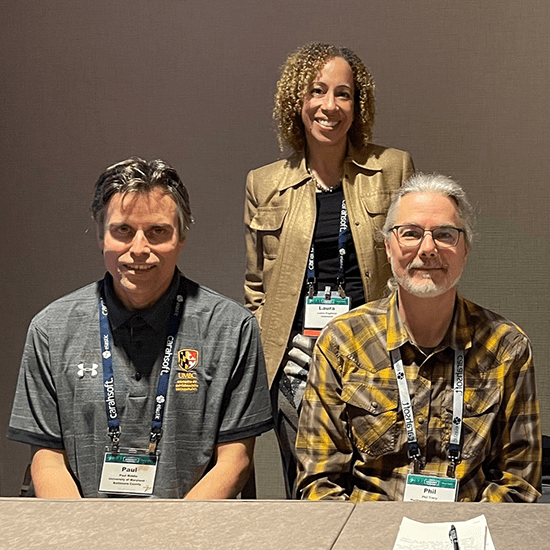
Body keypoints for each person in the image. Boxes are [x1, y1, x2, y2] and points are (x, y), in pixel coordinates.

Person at [8, 157, 272, 499]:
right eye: (123, 231)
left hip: (190, 534)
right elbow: (47, 461)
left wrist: (170, 538)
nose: (139, 249)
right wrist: (85, 538)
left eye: (158, 232)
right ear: (101, 235)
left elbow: (235, 461)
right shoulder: (50, 330)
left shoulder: (232, 329)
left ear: (181, 237)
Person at [295, 173, 541, 502]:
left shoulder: (507, 346)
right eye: (410, 234)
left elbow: (518, 480)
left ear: (465, 249)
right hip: (368, 534)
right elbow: (318, 482)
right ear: (388, 247)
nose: (427, 249)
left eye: (444, 235)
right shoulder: (342, 341)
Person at [244, 42, 414, 494]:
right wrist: (278, 359)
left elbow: (413, 266)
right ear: (296, 103)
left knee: (378, 488)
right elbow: (256, 287)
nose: (330, 105)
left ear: (358, 106)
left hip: (374, 361)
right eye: (317, 91)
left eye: (344, 94)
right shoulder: (264, 183)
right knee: (308, 492)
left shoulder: (393, 169)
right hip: (298, 364)